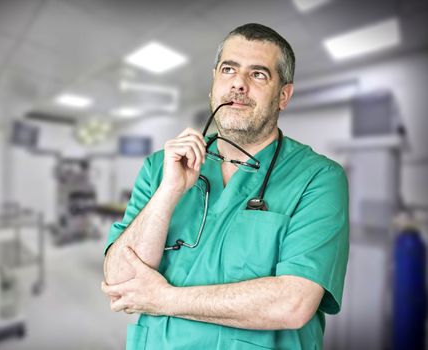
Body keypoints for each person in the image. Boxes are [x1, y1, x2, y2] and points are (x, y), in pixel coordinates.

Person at [101, 23, 349, 350]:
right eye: (228, 69)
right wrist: (168, 192)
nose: (238, 84)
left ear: (284, 96)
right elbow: (119, 279)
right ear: (213, 83)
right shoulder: (160, 166)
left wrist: (162, 298)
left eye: (258, 74)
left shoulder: (318, 178)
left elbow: (292, 302)